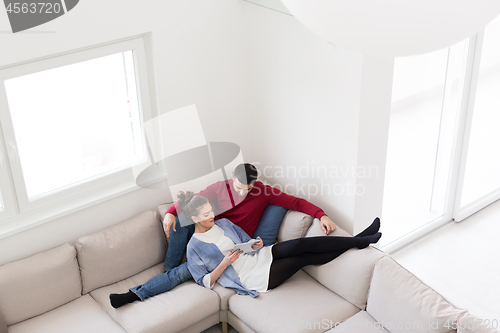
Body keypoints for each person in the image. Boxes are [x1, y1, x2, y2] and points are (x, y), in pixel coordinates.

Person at [109, 163, 349, 307]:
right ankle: (166, 268)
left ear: (255, 184)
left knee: (181, 275)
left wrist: (322, 215)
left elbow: (295, 201)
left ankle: (135, 294)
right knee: (181, 224)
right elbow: (192, 201)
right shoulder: (219, 189)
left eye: (247, 189)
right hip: (212, 235)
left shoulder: (264, 192)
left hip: (231, 244)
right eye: (238, 188)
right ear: (231, 179)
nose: (242, 193)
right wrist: (171, 212)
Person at [185, 191, 381, 295]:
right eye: (206, 214)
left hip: (258, 256)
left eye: (211, 210)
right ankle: (360, 241)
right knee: (302, 259)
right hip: (251, 277)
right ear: (194, 218)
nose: (212, 215)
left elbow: (244, 242)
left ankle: (359, 239)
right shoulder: (193, 246)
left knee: (299, 245)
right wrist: (224, 263)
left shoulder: (223, 223)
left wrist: (255, 244)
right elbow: (204, 281)